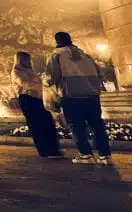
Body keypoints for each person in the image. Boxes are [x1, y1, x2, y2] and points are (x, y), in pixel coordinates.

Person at [45, 32, 111, 165]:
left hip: (71, 96)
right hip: (92, 95)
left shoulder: (55, 56)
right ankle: (105, 156)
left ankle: (86, 155)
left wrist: (45, 84)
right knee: (97, 125)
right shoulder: (86, 55)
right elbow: (101, 74)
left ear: (57, 41)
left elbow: (52, 78)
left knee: (77, 126)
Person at [11, 52, 62, 159]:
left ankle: (54, 149)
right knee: (36, 125)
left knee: (48, 123)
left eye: (29, 59)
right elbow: (25, 84)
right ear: (20, 60)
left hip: (39, 98)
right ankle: (44, 150)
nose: (29, 61)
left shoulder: (31, 71)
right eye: (26, 59)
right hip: (28, 99)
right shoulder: (16, 72)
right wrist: (42, 86)